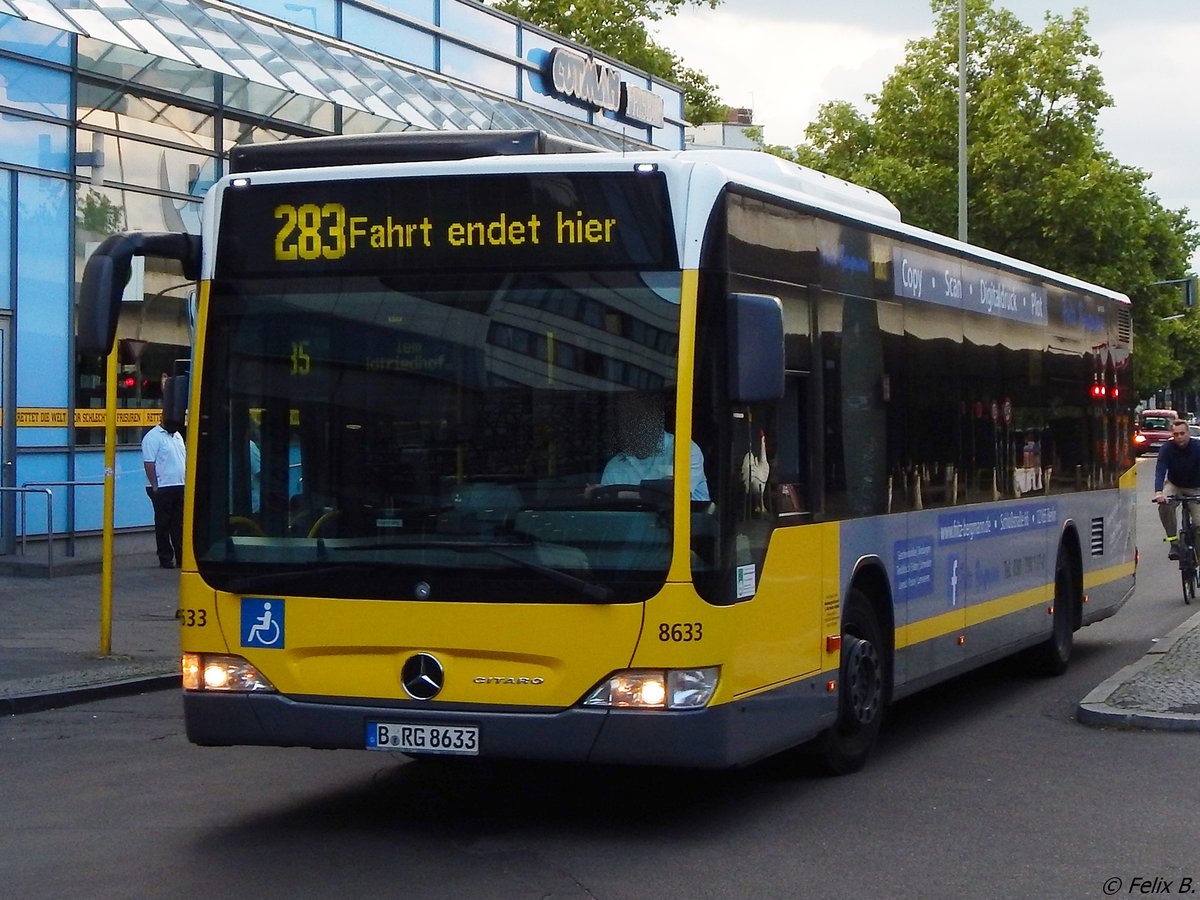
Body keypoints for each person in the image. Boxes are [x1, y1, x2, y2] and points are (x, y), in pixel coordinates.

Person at [594, 392, 709, 501]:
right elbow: (609, 506)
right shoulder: (615, 465)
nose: (633, 425)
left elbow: (671, 495)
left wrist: (615, 494)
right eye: (627, 419)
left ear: (657, 419)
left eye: (640, 418)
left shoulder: (684, 449)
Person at [142, 416, 187, 568]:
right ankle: (165, 557)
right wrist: (155, 485)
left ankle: (181, 556)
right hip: (163, 487)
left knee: (178, 524)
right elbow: (149, 463)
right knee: (163, 524)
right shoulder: (152, 437)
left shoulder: (178, 436)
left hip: (179, 484)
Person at [1152, 418, 1200, 559]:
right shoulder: (1166, 448)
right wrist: (1158, 492)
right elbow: (1160, 470)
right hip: (1175, 484)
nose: (1179, 437)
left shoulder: (1198, 447)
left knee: (1199, 525)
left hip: (1196, 488)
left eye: (1182, 433)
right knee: (1164, 505)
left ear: (1188, 433)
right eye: (1176, 434)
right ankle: (1174, 543)